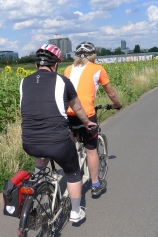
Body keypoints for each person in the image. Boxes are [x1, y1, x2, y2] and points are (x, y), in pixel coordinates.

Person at [20, 44, 96, 223]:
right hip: (57, 141)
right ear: (55, 65)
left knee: (41, 158)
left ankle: (39, 194)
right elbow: (77, 107)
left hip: (29, 141)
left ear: (37, 64)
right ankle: (76, 212)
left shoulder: (24, 82)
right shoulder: (62, 81)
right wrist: (87, 122)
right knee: (73, 171)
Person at [64, 41, 122, 196]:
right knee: (91, 150)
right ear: (93, 56)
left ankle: (72, 175)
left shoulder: (68, 69)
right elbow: (111, 93)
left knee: (71, 147)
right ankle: (95, 183)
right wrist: (117, 104)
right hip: (86, 115)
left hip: (67, 115)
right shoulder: (98, 68)